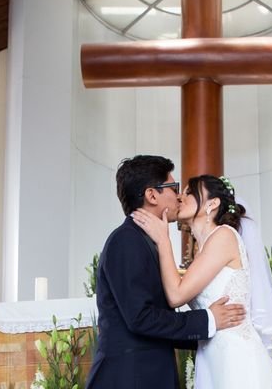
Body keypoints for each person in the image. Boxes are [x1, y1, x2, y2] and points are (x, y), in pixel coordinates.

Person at [86, 156, 246, 389]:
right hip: (130, 377)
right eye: (173, 187)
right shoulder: (126, 240)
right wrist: (208, 320)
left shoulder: (147, 240)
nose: (179, 196)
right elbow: (141, 318)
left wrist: (217, 331)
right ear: (152, 195)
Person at [132, 174, 272, 388]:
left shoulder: (224, 236)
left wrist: (163, 239)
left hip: (237, 359)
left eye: (190, 192)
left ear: (213, 203)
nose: (180, 197)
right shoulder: (202, 249)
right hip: (211, 357)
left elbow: (176, 295)